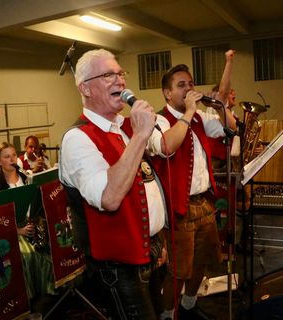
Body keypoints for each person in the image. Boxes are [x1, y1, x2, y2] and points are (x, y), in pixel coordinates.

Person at [59, 48, 166, 319]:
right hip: (118, 266)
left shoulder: (123, 127)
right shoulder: (77, 138)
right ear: (86, 88)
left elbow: (146, 183)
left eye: (121, 73)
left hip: (150, 249)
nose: (120, 80)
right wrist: (142, 135)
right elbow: (109, 197)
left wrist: (157, 241)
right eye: (108, 75)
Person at [149, 50, 237, 320]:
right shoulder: (159, 119)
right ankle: (167, 313)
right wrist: (188, 112)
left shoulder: (200, 117)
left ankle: (189, 304)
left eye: (190, 83)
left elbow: (230, 127)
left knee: (203, 262)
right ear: (167, 93)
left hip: (205, 203)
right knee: (179, 270)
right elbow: (166, 147)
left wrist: (222, 105)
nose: (188, 88)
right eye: (181, 85)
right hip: (179, 208)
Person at [0, 142, 57, 310]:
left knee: (52, 247)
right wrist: (17, 230)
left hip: (30, 226)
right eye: (6, 157)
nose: (12, 159)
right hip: (7, 232)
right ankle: (26, 301)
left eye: (14, 155)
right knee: (27, 254)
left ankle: (49, 295)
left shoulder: (27, 179)